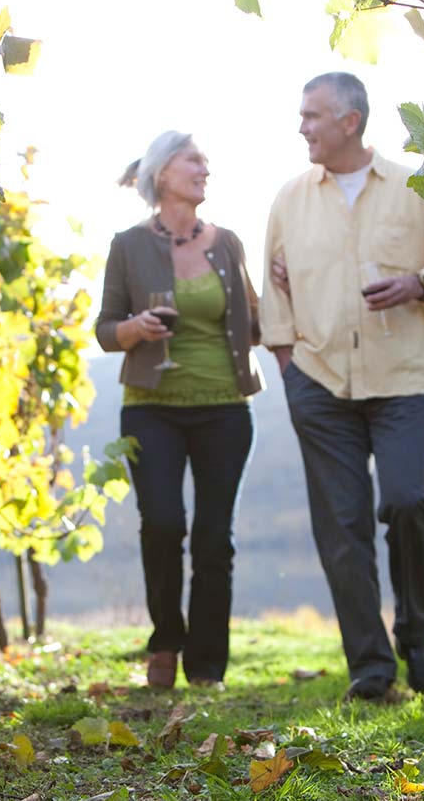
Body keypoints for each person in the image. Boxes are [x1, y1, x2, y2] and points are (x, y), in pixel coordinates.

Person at [261, 72, 424, 701]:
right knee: (342, 526)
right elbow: (275, 293)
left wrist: (417, 284)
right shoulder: (289, 199)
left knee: (409, 502)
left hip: (402, 376)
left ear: (350, 121)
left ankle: (417, 642)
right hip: (318, 384)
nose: (302, 127)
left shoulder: (416, 187)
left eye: (313, 115)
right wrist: (289, 368)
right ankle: (371, 669)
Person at [96, 131, 263, 689]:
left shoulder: (229, 242)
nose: (205, 168)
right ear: (162, 173)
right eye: (194, 159)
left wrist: (284, 290)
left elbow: (255, 322)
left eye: (205, 160)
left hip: (224, 408)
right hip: (151, 406)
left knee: (216, 538)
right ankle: (166, 639)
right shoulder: (127, 244)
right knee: (164, 525)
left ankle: (207, 665)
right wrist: (134, 329)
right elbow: (104, 330)